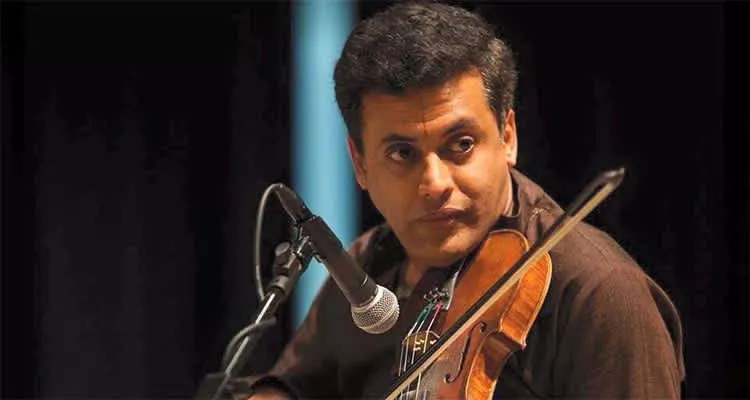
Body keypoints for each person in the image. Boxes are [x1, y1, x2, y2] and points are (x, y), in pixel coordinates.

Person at [235, 2, 685, 398]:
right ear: (360, 164)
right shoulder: (367, 266)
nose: (434, 183)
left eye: (461, 144)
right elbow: (294, 385)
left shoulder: (599, 296)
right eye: (402, 154)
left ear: (507, 136)